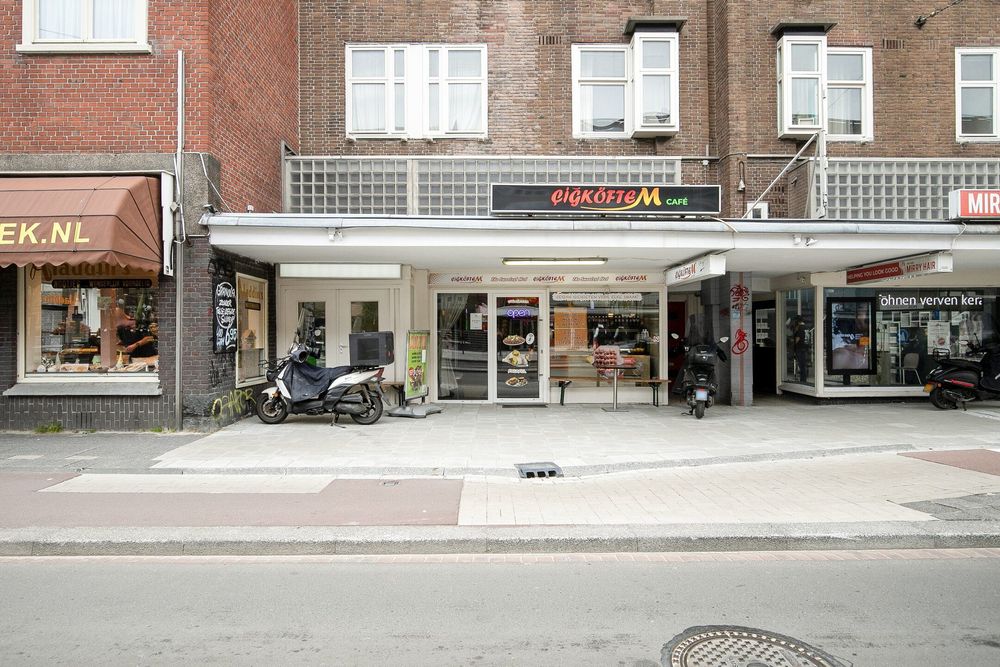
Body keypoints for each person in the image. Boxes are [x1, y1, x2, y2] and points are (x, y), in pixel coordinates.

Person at [789, 315, 809, 383]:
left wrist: (791, 342)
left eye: (795, 321)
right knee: (803, 364)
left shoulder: (800, 328)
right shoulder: (805, 327)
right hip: (804, 348)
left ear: (797, 321)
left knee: (801, 365)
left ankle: (803, 380)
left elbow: (797, 339)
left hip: (800, 348)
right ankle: (803, 379)